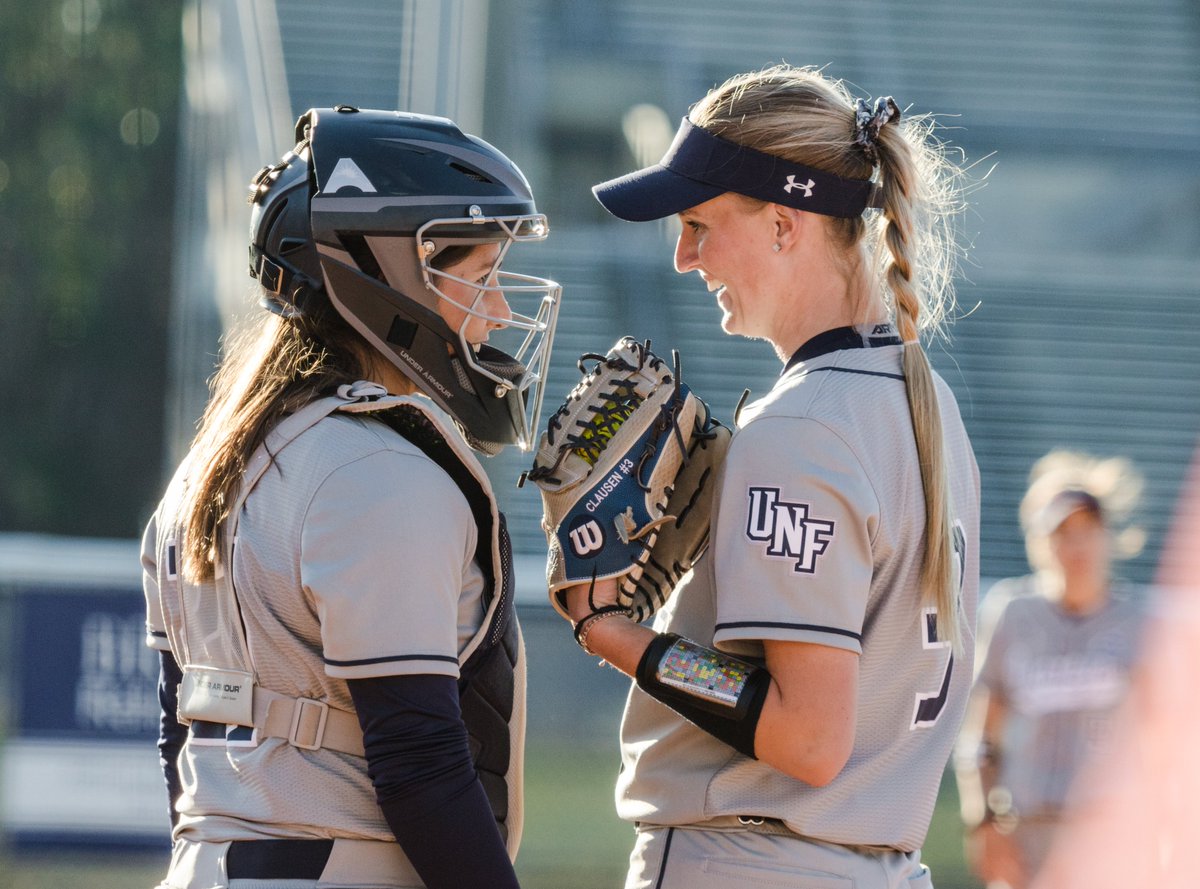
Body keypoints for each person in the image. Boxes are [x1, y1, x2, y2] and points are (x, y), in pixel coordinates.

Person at [563, 64, 981, 887]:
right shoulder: (928, 404)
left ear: (785, 226)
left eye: (699, 224)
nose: (684, 257)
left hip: (752, 860)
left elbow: (807, 737)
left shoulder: (801, 426)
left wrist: (615, 634)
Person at [141, 106, 560, 889]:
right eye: (481, 276)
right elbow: (420, 767)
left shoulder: (205, 468)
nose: (500, 310)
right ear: (392, 276)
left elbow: (179, 736)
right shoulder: (377, 471)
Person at [955, 450, 1148, 889]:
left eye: (1086, 530)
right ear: (1039, 542)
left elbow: (1163, 743)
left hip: (1111, 830)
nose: (1075, 546)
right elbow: (981, 737)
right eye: (1061, 533)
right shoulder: (1013, 613)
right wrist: (982, 821)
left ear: (1108, 536)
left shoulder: (1137, 624)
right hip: (1026, 830)